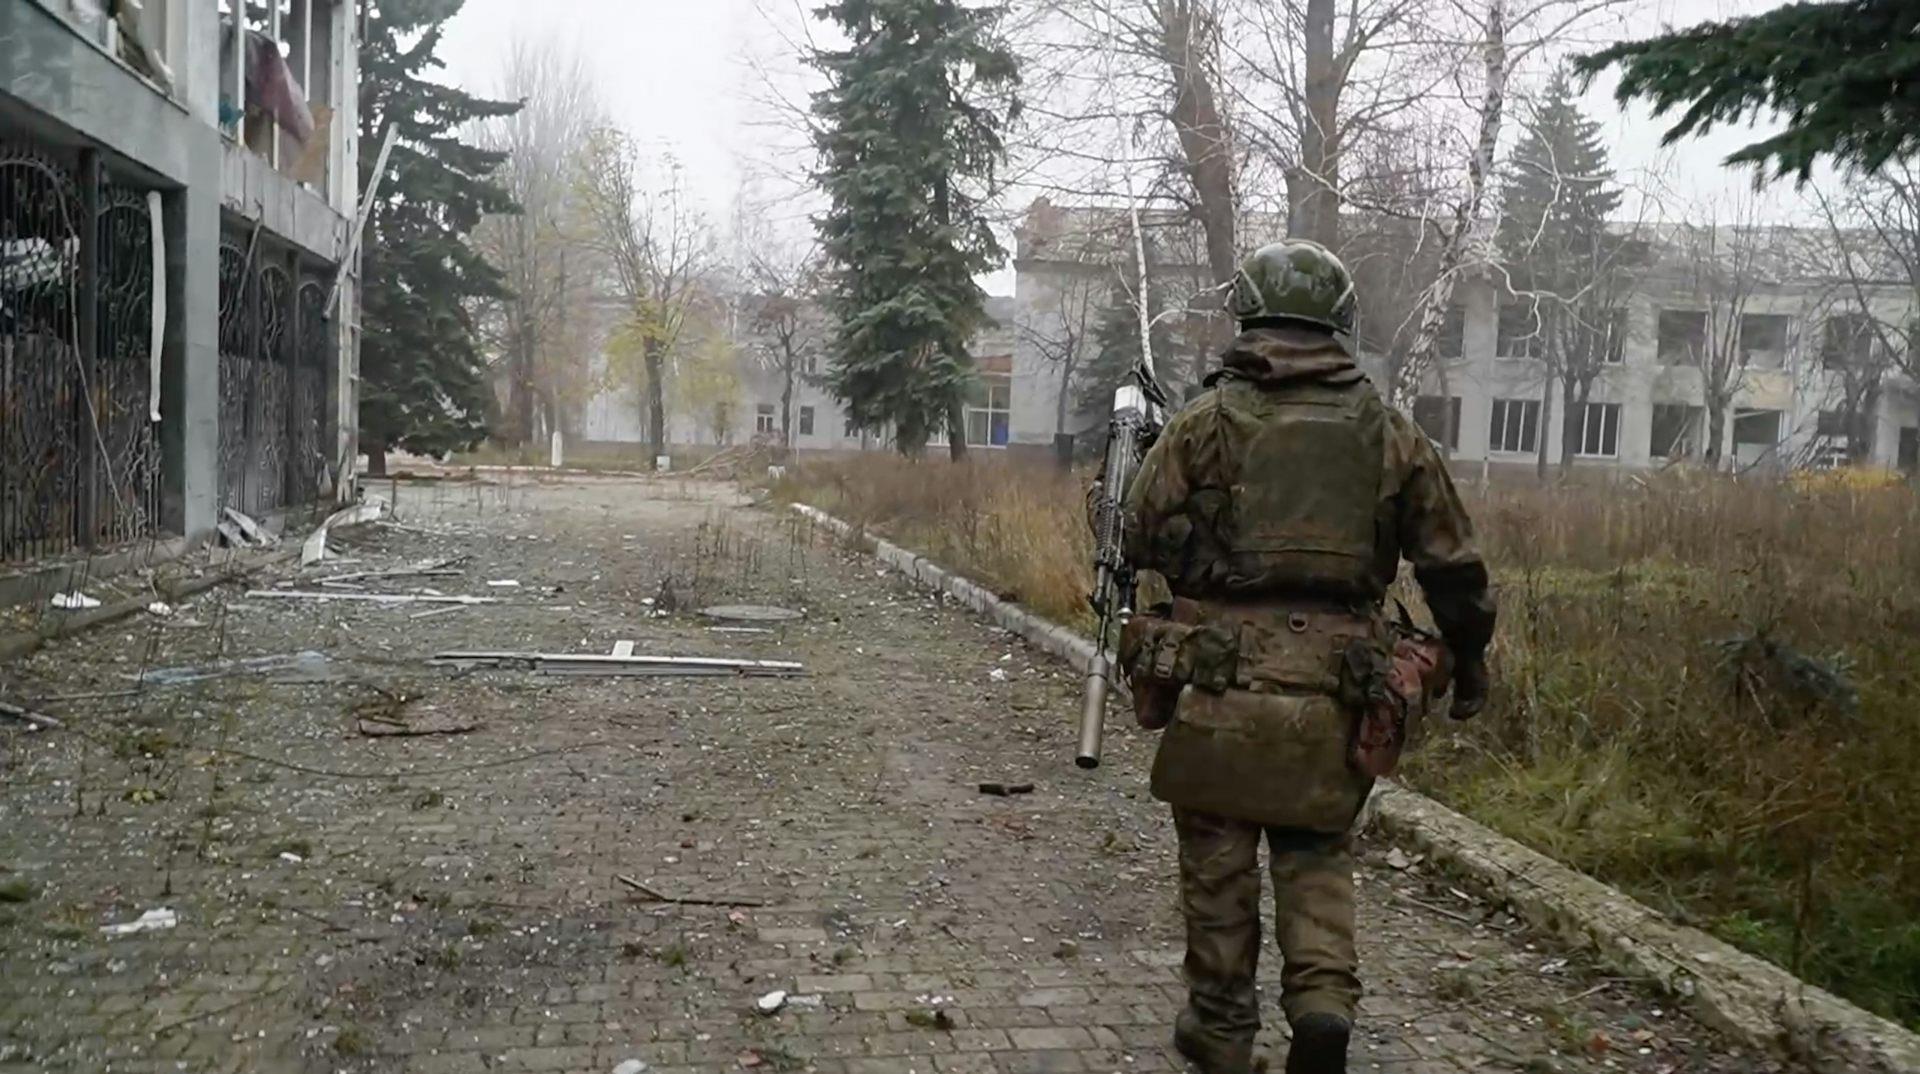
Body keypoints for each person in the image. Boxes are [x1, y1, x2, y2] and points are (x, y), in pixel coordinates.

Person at [1117, 239, 1496, 1074]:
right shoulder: (1389, 432)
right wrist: (1469, 661)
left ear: (1248, 315)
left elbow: (1134, 531)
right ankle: (1322, 1005)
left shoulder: (1203, 423)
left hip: (1221, 681)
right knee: (1316, 850)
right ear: (1340, 323)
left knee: (1217, 863)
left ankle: (1220, 1031)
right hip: (1338, 689)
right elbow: (1455, 565)